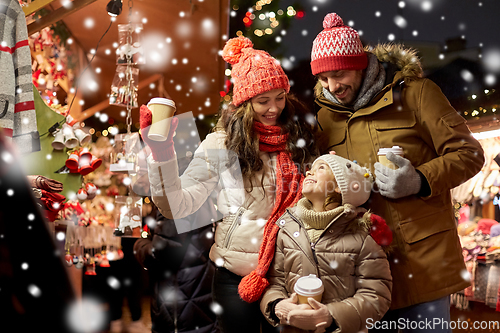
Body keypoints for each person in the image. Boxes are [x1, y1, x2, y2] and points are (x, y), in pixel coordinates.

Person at [310, 12, 485, 332]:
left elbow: (470, 154)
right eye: (323, 79)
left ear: (360, 64)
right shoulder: (324, 118)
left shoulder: (417, 94)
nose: (333, 86)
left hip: (423, 266)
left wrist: (418, 179)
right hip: (364, 276)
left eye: (340, 74)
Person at [139, 36, 318, 333]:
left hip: (291, 273)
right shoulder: (222, 144)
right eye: (263, 100)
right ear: (245, 102)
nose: (273, 108)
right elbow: (177, 206)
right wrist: (162, 155)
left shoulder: (301, 138)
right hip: (235, 275)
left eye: (279, 97)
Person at [260, 153, 393, 333]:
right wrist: (278, 306)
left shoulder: (361, 237)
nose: (308, 173)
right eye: (310, 170)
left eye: (320, 168)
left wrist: (330, 316)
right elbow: (274, 282)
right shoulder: (287, 229)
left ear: (339, 186)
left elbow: (376, 295)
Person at [133, 150, 221, 333]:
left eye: (144, 170)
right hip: (196, 290)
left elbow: (161, 255)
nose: (140, 178)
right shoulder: (195, 188)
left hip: (181, 299)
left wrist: (138, 243)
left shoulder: (171, 198)